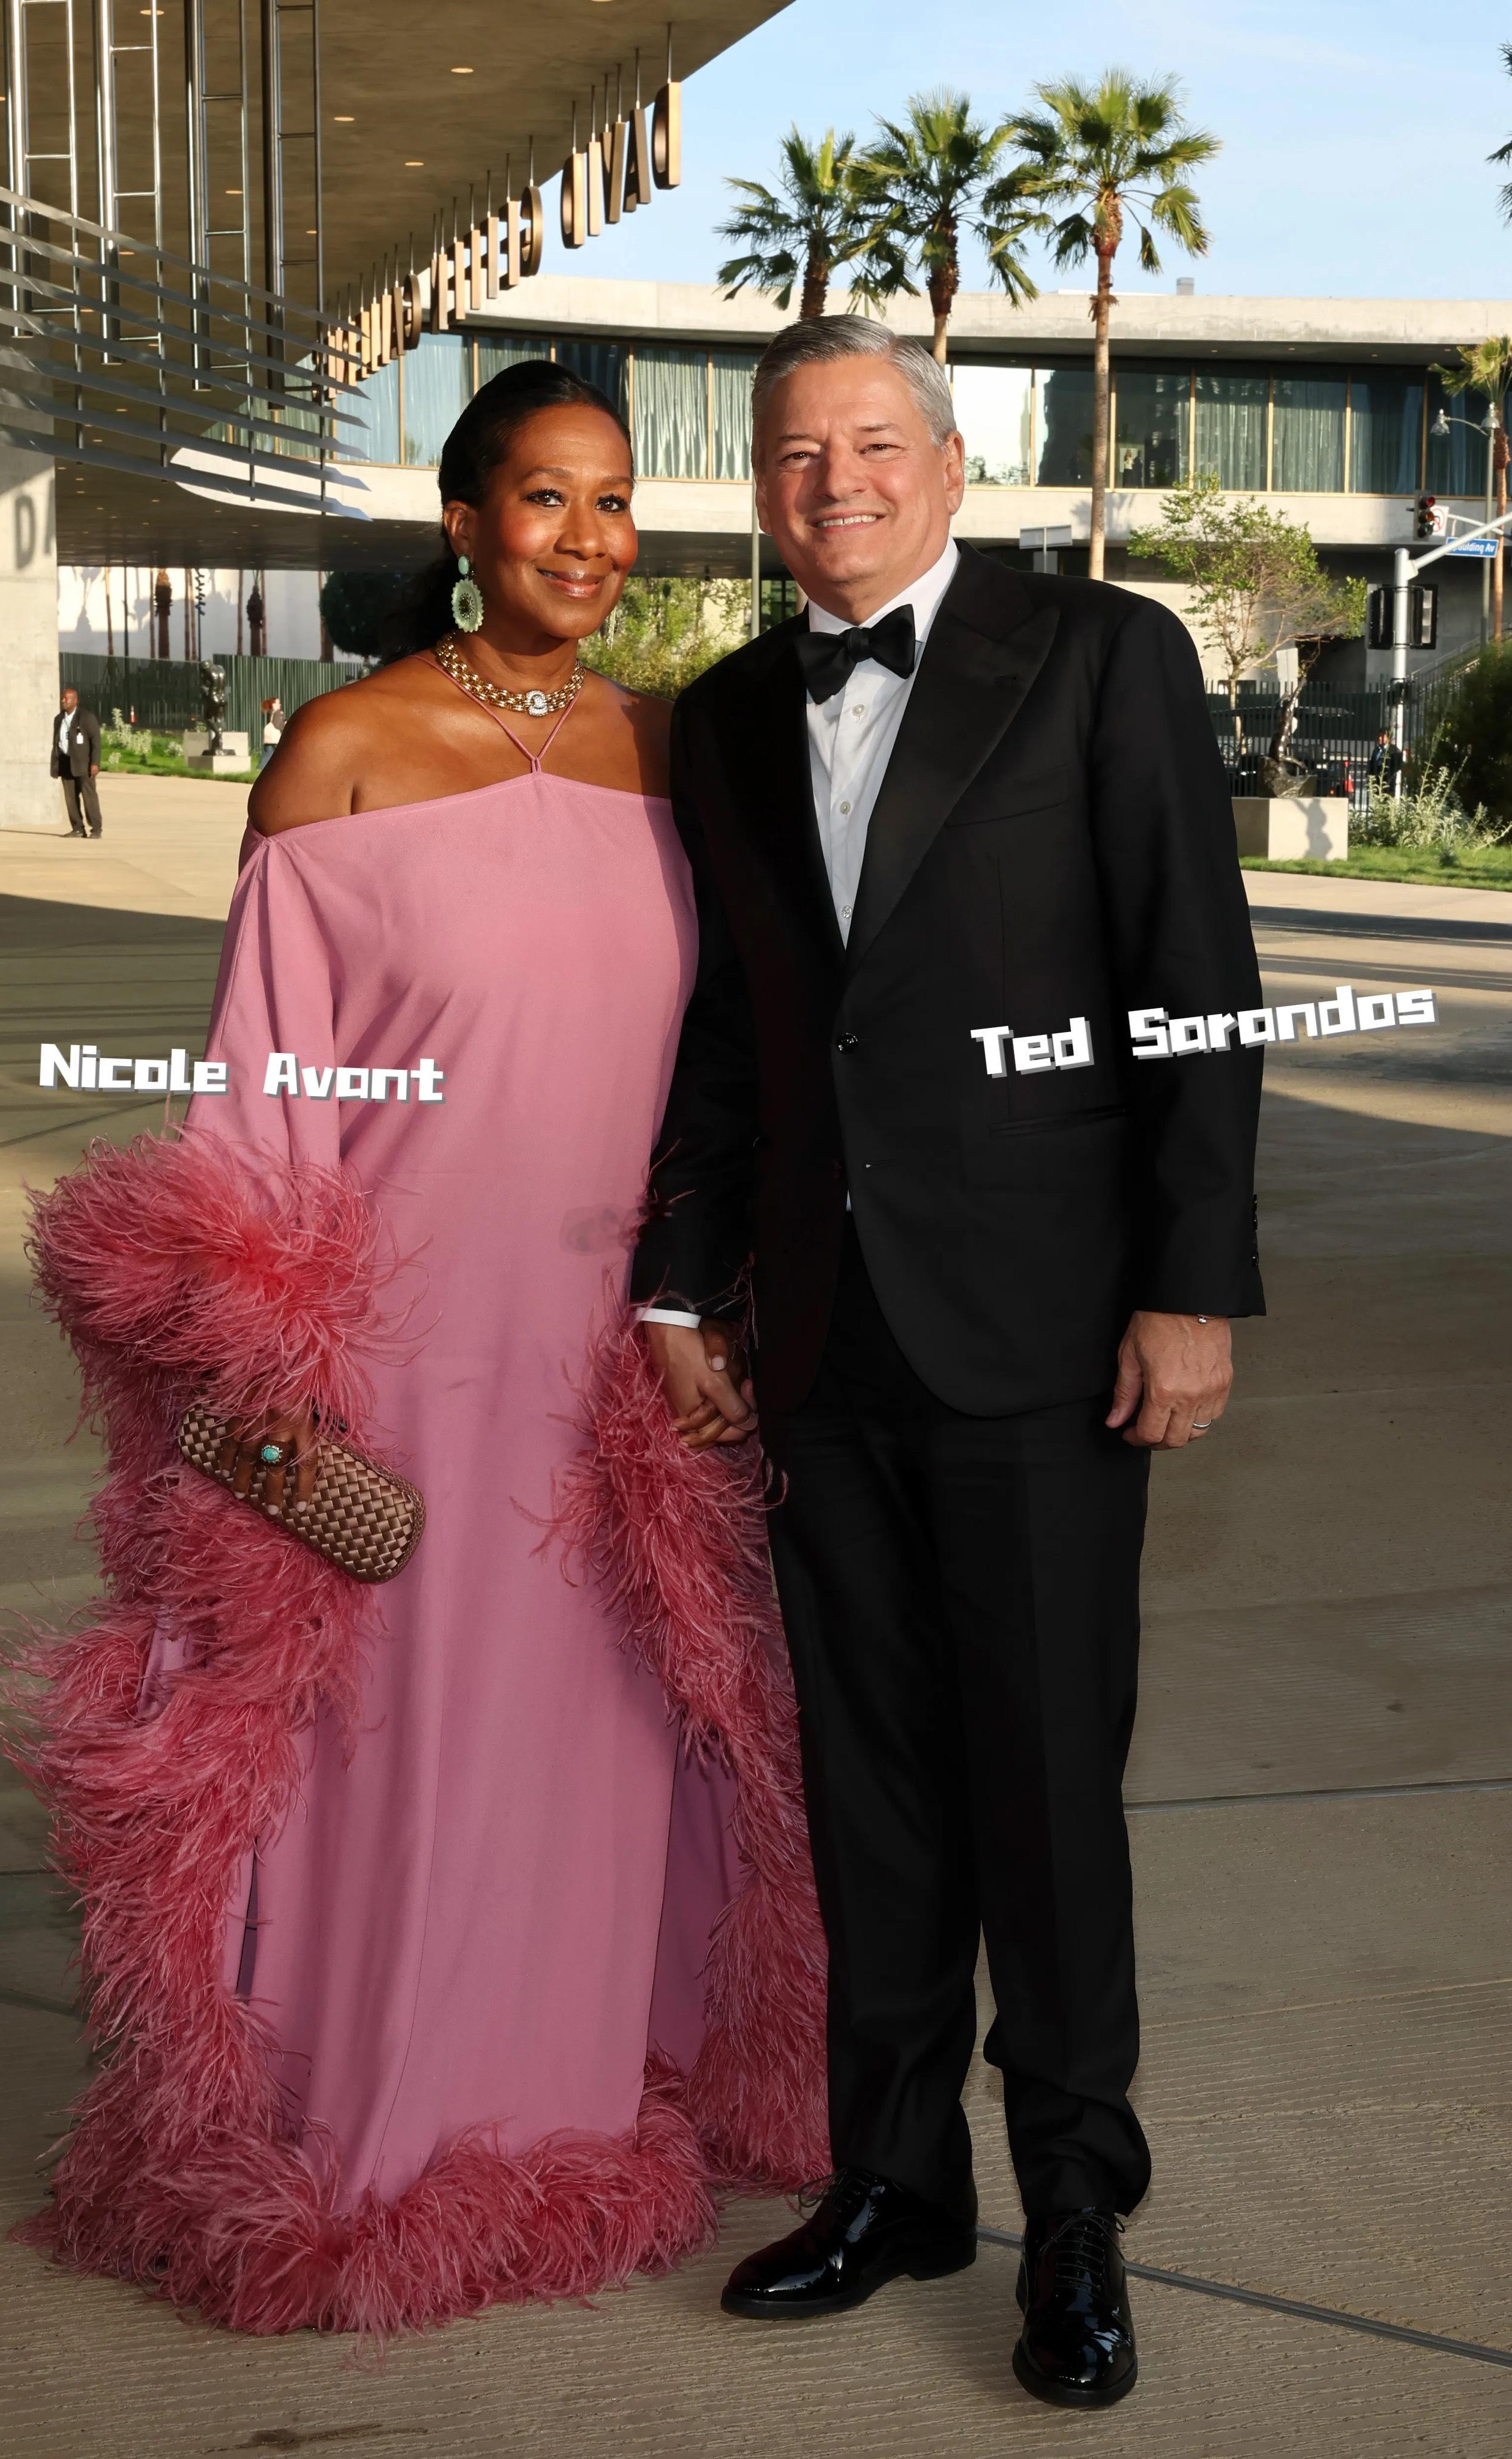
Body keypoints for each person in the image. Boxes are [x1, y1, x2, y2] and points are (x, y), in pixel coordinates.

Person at [7, 361, 825, 2334]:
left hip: (621, 1355)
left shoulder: (679, 753)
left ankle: (582, 2104)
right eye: (546, 497)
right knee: (400, 1739)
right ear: (464, 520)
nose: (590, 539)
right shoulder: (344, 752)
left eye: (616, 502)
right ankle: (378, 2137)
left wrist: (709, 1286)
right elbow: (263, 1094)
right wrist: (268, 1398)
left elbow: (732, 1064)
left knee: (611, 1741)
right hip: (405, 1352)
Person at [635, 318, 1265, 2409]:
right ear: (758, 486)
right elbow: (736, 1026)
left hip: (1046, 1331)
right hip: (821, 1337)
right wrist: (678, 1284)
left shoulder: (1100, 656)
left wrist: (1190, 1284)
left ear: (949, 459)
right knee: (872, 1791)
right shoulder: (728, 716)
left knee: (1046, 1796)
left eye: (870, 442)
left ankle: (1075, 2206)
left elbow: (1192, 982)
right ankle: (893, 2180)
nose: (833, 482)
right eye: (792, 453)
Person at [51, 686, 103, 836]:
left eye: (67, 698)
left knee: (89, 797)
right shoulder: (59, 719)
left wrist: (95, 763)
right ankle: (78, 828)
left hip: (84, 764)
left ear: (75, 700)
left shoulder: (86, 717)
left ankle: (96, 829)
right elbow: (57, 742)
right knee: (70, 798)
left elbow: (96, 742)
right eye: (63, 698)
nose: (64, 701)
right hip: (66, 762)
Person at [1368, 728, 1402, 795]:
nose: (1380, 738)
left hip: (1387, 786)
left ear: (1389, 738)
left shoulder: (1395, 751)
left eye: (1382, 736)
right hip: (1376, 785)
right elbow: (1372, 764)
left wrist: (1388, 781)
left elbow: (1396, 768)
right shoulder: (1376, 750)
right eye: (1379, 736)